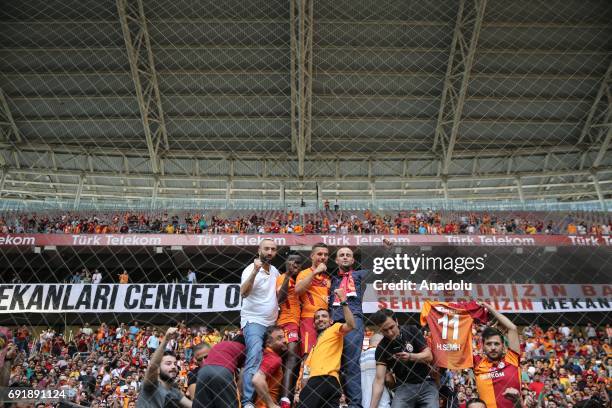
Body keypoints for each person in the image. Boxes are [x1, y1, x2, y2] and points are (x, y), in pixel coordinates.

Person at [298, 288, 356, 408]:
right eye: (317, 318)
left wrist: (343, 301)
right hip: (325, 384)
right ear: (313, 324)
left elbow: (351, 325)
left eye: (324, 316)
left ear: (330, 321)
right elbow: (305, 376)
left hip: (324, 379)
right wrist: (302, 392)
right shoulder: (313, 348)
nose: (320, 319)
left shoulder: (334, 329)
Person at [240, 238, 280, 408]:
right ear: (259, 250)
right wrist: (255, 271)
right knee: (255, 355)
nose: (269, 252)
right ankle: (247, 401)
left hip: (272, 323)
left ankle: (266, 399)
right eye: (266, 249)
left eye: (273, 249)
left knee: (274, 360)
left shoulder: (276, 271)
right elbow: (243, 293)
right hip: (254, 321)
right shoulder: (250, 269)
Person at [369, 308, 436, 408]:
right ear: (379, 329)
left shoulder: (411, 330)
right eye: (385, 330)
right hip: (404, 386)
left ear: (396, 321)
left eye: (391, 327)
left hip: (426, 383)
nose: (390, 333)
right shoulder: (381, 348)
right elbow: (379, 380)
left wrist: (411, 356)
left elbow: (429, 356)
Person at [329, 246, 367, 408]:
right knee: (334, 364)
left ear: (353, 260)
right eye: (341, 255)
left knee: (351, 363)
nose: (345, 257)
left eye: (348, 255)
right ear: (336, 260)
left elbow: (383, 269)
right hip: (334, 324)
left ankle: (355, 404)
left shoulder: (359, 275)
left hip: (354, 321)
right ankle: (333, 401)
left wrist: (385, 251)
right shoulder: (330, 279)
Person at [472, 303, 521, 408]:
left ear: (503, 346)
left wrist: (488, 307)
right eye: (489, 344)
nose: (493, 347)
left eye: (497, 343)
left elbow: (512, 328)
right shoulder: (477, 362)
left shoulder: (512, 359)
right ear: (483, 346)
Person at [137, 327, 192, 407]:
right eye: (168, 363)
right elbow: (152, 367)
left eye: (175, 363)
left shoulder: (175, 392)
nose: (174, 366)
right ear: (158, 369)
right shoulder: (150, 385)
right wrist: (166, 339)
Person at [276, 253, 303, 407]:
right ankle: (285, 400)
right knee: (291, 358)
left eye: (298, 262)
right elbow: (280, 299)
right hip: (287, 322)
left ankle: (288, 397)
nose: (295, 264)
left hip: (297, 323)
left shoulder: (299, 281)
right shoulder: (282, 277)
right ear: (286, 262)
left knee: (295, 362)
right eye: (292, 261)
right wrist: (287, 275)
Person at [295, 243, 330, 356]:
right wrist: (314, 272)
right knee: (309, 353)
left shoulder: (328, 278)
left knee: (323, 354)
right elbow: (298, 290)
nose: (323, 257)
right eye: (319, 254)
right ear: (312, 256)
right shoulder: (304, 273)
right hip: (309, 318)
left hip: (325, 320)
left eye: (326, 254)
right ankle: (305, 374)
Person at [193, 335, 246, 408]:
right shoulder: (248, 349)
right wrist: (238, 394)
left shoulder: (221, 345)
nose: (203, 361)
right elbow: (243, 376)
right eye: (199, 359)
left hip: (202, 373)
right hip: (221, 371)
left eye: (206, 357)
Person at [253, 326, 289, 408]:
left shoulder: (265, 355)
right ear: (268, 343)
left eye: (284, 337)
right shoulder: (273, 358)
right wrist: (271, 405)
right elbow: (257, 380)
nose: (285, 340)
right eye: (279, 338)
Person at [361, 333, 391, 408]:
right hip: (382, 403)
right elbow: (388, 379)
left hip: (363, 403)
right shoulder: (381, 355)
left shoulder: (360, 357)